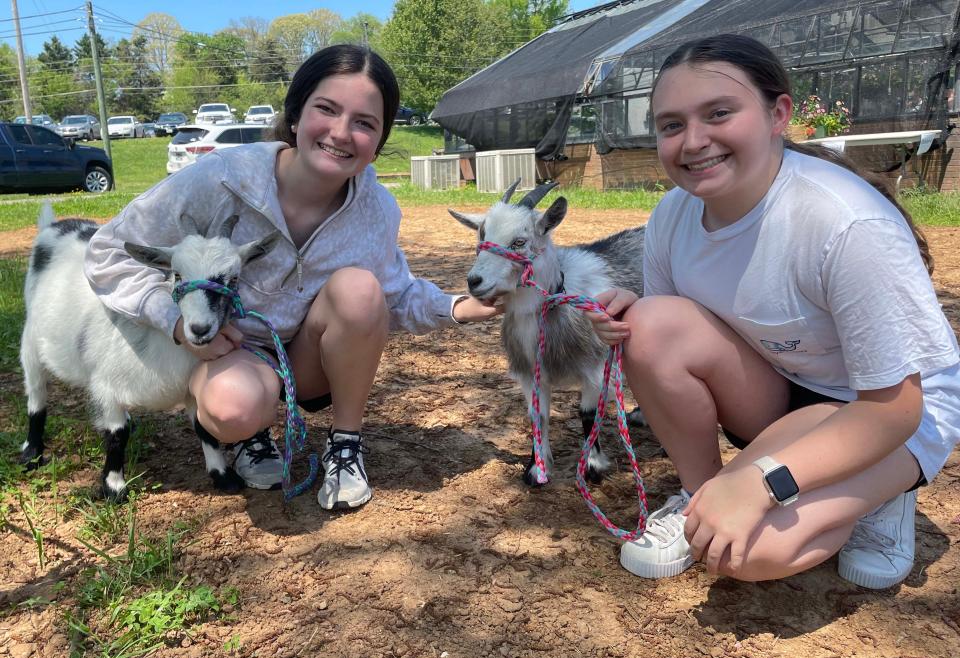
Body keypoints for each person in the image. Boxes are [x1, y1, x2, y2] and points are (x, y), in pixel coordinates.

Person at [589, 34, 960, 588]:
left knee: (749, 555)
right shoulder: (673, 215)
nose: (693, 142)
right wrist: (631, 313)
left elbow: (895, 407)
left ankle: (884, 495)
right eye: (670, 125)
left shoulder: (846, 224)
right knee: (650, 324)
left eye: (719, 113)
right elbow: (680, 325)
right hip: (785, 385)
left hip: (888, 411)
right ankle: (700, 493)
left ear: (777, 113)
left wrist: (763, 481)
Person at [84, 45, 498, 510]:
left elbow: (392, 294)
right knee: (233, 407)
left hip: (304, 354)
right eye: (327, 109)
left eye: (365, 122)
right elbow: (107, 253)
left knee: (360, 290)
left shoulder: (376, 209)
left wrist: (458, 307)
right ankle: (248, 434)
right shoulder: (220, 180)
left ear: (378, 141)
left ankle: (345, 445)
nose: (341, 133)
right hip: (231, 349)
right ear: (297, 116)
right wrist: (173, 321)